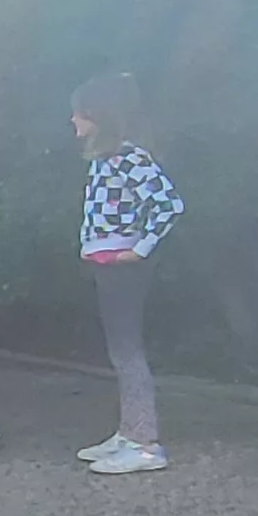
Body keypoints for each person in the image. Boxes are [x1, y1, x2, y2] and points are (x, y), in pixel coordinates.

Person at [72, 72, 184, 475]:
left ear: (99, 115)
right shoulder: (105, 159)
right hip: (105, 264)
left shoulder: (129, 157)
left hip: (123, 269)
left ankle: (145, 443)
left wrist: (139, 248)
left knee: (128, 352)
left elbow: (169, 204)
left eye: (80, 113)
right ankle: (129, 430)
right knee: (120, 352)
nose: (74, 122)